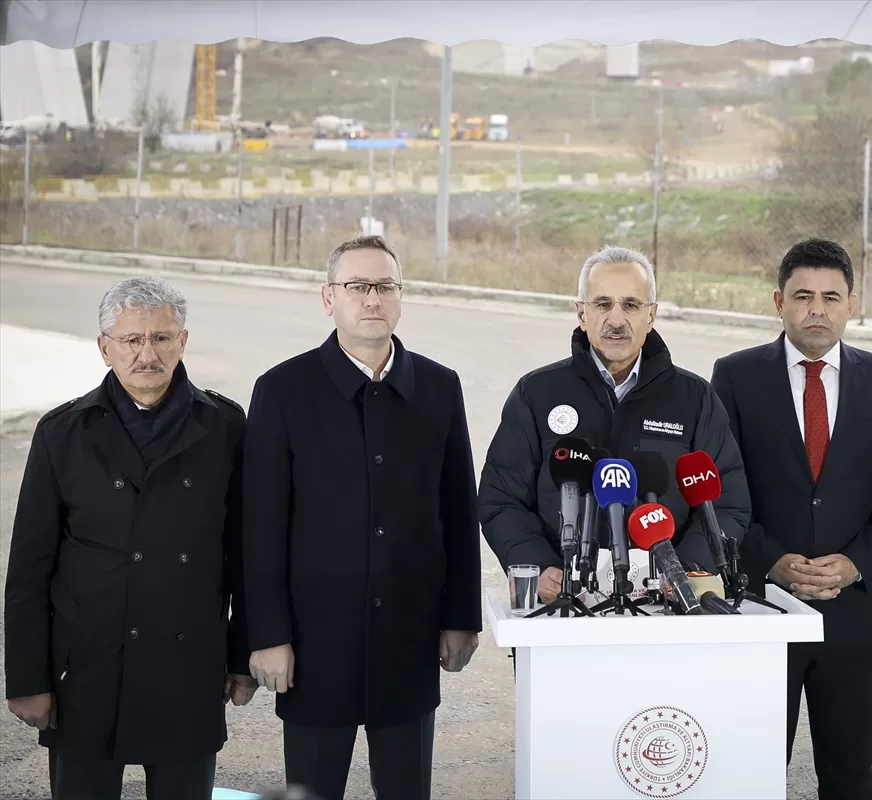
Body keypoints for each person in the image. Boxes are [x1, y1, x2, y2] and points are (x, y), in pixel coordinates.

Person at [241, 234, 481, 800]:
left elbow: (457, 510)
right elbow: (260, 527)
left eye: (385, 286)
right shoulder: (282, 389)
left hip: (409, 635)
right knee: (311, 791)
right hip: (314, 641)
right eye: (357, 286)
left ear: (401, 296)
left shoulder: (439, 387)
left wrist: (461, 616)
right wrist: (268, 635)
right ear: (329, 298)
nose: (372, 299)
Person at [3, 276, 255, 800]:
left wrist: (241, 657)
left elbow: (246, 557)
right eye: (132, 340)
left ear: (183, 341)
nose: (147, 354)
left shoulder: (226, 427)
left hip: (188, 667)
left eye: (161, 338)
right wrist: (27, 680)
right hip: (86, 668)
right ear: (104, 348)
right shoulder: (61, 432)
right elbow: (29, 569)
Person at [711, 238, 872, 800]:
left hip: (855, 612)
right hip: (760, 603)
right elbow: (718, 489)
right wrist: (770, 560)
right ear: (778, 301)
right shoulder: (734, 376)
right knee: (752, 771)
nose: (817, 309)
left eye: (831, 297)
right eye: (803, 295)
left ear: (851, 304)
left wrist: (857, 563)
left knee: (848, 775)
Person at [478, 244, 751, 605]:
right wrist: (539, 565)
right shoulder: (536, 393)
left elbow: (728, 503)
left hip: (669, 605)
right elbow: (501, 499)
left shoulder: (695, 398)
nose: (617, 319)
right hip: (566, 602)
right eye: (603, 304)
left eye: (631, 305)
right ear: (582, 313)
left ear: (651, 315)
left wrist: (685, 570)